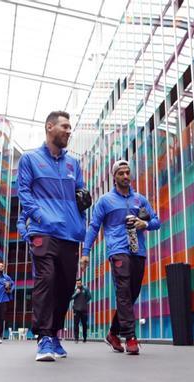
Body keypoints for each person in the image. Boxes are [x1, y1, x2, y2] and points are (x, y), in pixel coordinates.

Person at [17, 110, 86, 362]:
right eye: (65, 126)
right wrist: (41, 217)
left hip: (70, 233)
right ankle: (44, 337)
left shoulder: (74, 164)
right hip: (43, 230)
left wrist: (83, 198)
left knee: (66, 286)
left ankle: (54, 333)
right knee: (46, 279)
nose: (69, 131)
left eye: (70, 127)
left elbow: (80, 192)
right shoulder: (30, 159)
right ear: (49, 127)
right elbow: (24, 192)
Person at [80, 160, 160, 355]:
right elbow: (93, 227)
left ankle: (113, 333)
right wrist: (85, 253)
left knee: (132, 293)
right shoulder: (105, 201)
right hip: (117, 250)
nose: (125, 176)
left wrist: (145, 224)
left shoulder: (140, 199)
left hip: (138, 251)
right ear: (114, 177)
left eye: (127, 172)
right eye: (121, 173)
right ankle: (130, 337)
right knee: (123, 291)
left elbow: (156, 221)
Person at [71, 278, 91, 343]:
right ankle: (76, 339)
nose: (78, 284)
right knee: (76, 324)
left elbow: (89, 297)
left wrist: (84, 302)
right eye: (77, 283)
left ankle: (84, 338)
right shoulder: (74, 289)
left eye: (79, 283)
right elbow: (70, 298)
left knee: (84, 324)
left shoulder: (86, 289)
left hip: (84, 310)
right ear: (76, 284)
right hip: (76, 310)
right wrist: (76, 293)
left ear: (81, 283)